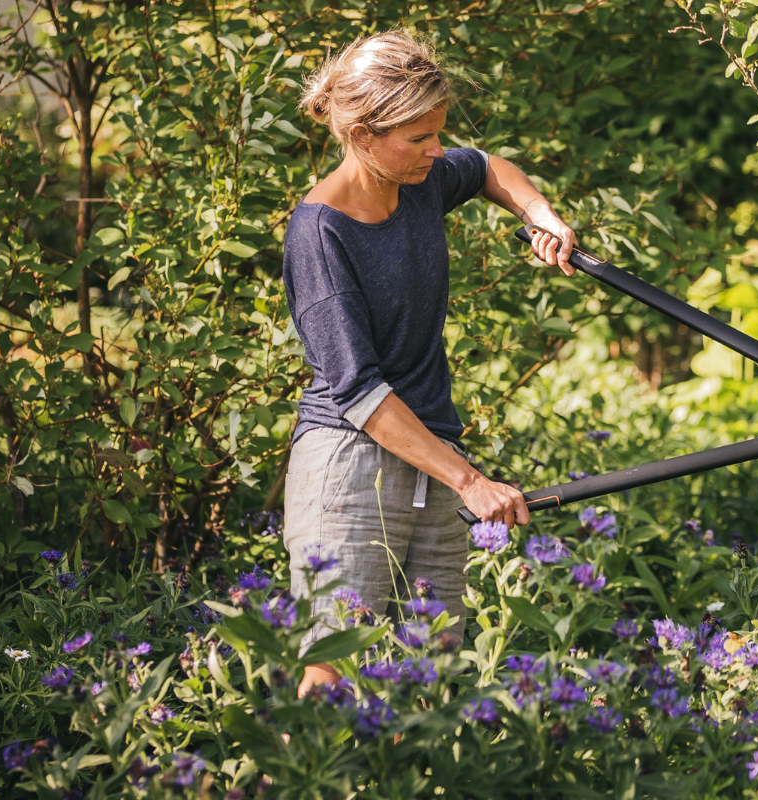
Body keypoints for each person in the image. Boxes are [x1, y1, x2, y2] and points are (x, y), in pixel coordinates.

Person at [281, 30, 577, 697]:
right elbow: (358, 391)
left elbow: (487, 167)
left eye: (437, 134)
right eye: (418, 138)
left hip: (432, 454)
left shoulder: (416, 182)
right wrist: (471, 481)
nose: (436, 150)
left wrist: (540, 214)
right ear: (360, 132)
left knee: (433, 671)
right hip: (350, 463)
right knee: (334, 667)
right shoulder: (319, 234)